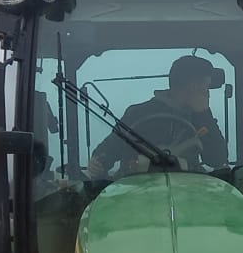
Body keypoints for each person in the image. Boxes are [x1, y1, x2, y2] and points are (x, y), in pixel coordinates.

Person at [86, 54, 228, 178]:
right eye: (206, 87)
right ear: (193, 87)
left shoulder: (200, 119)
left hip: (189, 190)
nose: (207, 93)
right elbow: (108, 150)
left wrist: (203, 115)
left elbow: (216, 159)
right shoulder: (137, 113)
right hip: (137, 191)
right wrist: (98, 163)